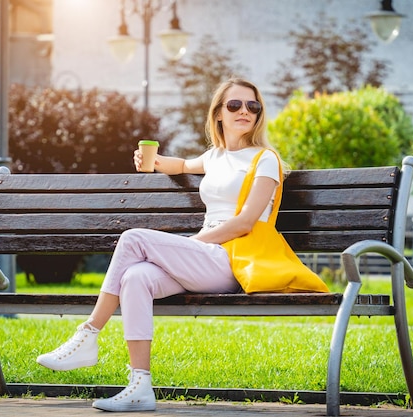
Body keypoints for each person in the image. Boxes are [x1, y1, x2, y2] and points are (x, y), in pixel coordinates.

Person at [36, 78, 287, 412]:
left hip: (232, 260)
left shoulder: (265, 159)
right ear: (218, 115)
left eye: (252, 106)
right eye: (235, 105)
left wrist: (193, 242)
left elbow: (245, 222)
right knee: (136, 277)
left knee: (133, 238)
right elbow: (183, 165)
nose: (245, 111)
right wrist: (151, 161)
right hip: (203, 258)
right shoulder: (215, 157)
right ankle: (140, 384)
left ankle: (89, 333)